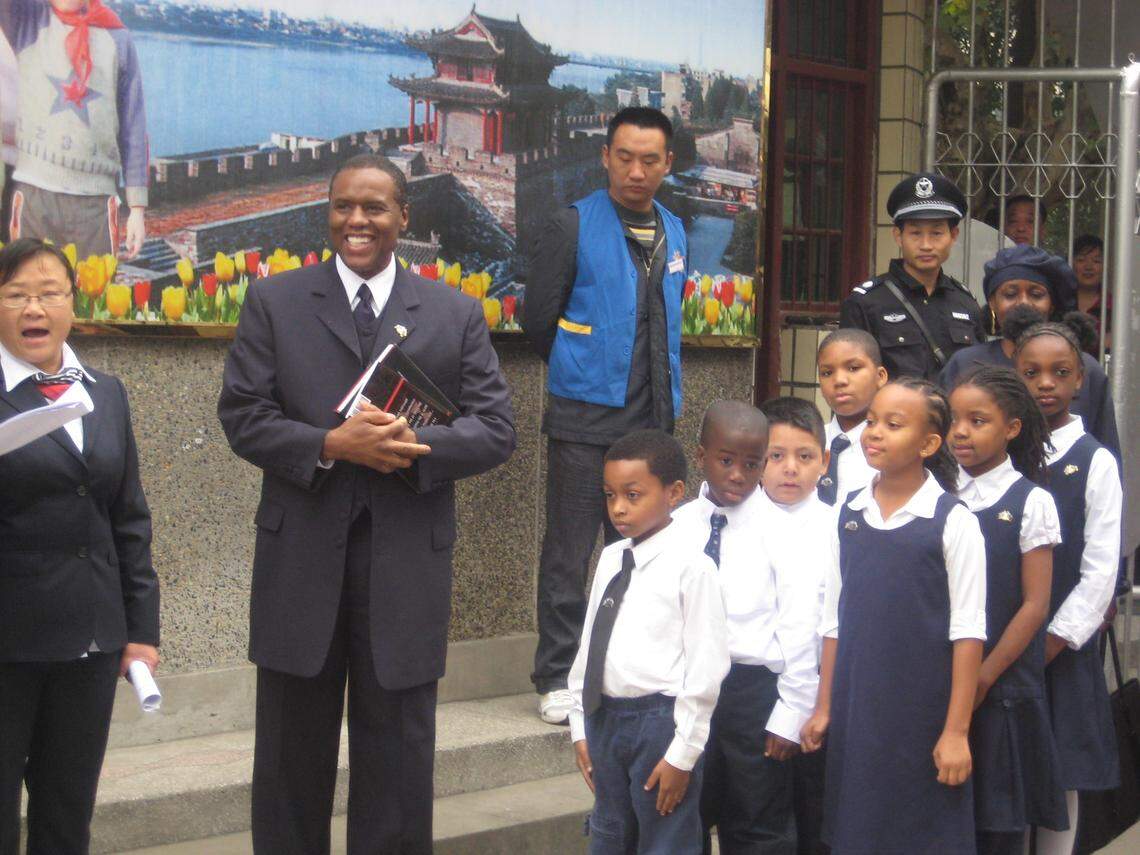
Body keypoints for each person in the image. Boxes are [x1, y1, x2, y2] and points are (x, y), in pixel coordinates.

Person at [217, 153, 516, 855]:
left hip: (406, 568)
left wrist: (415, 446)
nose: (357, 221)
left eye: (375, 207)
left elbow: (495, 429)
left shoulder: (454, 311)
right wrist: (331, 443)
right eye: (344, 205)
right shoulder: (275, 301)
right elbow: (243, 416)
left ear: (404, 217)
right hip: (299, 567)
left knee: (399, 769)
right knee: (290, 765)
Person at [523, 107, 687, 725]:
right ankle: (556, 673)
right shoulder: (572, 225)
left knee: (643, 551)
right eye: (625, 157)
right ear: (605, 157)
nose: (636, 171)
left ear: (667, 164)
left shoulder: (675, 229)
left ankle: (630, 669)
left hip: (650, 421)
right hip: (581, 419)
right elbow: (538, 319)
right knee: (569, 549)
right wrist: (582, 365)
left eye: (650, 160)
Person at [0, 237, 160, 854]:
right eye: (16, 295)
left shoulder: (106, 391)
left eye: (48, 294)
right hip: (8, 642)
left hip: (90, 640)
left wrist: (140, 630)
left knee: (67, 814)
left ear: (72, 302)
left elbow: (128, 519)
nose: (33, 308)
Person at [802, 378, 987, 854]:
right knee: (858, 830)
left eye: (893, 424)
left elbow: (968, 633)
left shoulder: (953, 521)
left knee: (919, 833)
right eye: (872, 421)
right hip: (858, 706)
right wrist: (824, 707)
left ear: (929, 443)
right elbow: (833, 619)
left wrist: (956, 731)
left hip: (923, 712)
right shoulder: (849, 513)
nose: (874, 433)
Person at [568, 429, 729, 855]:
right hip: (605, 717)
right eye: (610, 495)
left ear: (674, 492)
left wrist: (683, 754)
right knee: (608, 831)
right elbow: (590, 645)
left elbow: (706, 667)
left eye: (633, 495)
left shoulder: (693, 567)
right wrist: (580, 725)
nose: (618, 508)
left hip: (659, 723)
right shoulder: (610, 558)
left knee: (665, 837)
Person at [672, 400, 818, 855]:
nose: (738, 474)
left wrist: (791, 713)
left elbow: (800, 626)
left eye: (753, 463)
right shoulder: (674, 526)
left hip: (752, 695)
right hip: (684, 685)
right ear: (701, 457)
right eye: (726, 460)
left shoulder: (782, 531)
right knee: (681, 813)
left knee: (758, 822)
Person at [946, 366, 1069, 854]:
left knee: (997, 823)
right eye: (954, 419)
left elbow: (1035, 605)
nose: (960, 431)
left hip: (1000, 688)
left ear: (1012, 428)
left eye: (978, 421)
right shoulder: (938, 497)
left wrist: (982, 677)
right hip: (943, 680)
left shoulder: (1030, 501)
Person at [1012, 316, 1122, 855]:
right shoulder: (998, 454)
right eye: (1030, 372)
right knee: (1008, 765)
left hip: (1061, 647)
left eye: (1059, 372)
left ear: (1081, 379)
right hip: (1001, 644)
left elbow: (1101, 569)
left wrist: (1052, 641)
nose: (1045, 383)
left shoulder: (1095, 461)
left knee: (1059, 769)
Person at [937, 245, 1119, 455]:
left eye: (1036, 294)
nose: (1023, 302)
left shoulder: (1086, 368)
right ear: (993, 303)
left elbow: (1106, 452)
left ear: (1051, 304)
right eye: (1010, 294)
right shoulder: (965, 365)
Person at [0, 1, 149, 258]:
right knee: (32, 291)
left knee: (92, 294)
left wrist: (137, 209)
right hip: (34, 196)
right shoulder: (27, 20)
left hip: (95, 205)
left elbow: (133, 128)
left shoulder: (119, 39)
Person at [755, 396, 834, 855]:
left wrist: (800, 708)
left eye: (804, 457)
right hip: (751, 693)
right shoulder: (739, 521)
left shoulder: (835, 527)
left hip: (814, 697)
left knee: (811, 817)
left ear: (824, 462)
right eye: (776, 456)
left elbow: (816, 625)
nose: (790, 469)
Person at [839, 172, 986, 382]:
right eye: (915, 233)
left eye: (936, 233)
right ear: (898, 236)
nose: (926, 245)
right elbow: (851, 378)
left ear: (953, 236)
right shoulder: (866, 302)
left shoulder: (964, 302)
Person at [815, 328, 887, 506]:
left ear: (880, 376)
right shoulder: (809, 444)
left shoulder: (890, 451)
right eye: (827, 373)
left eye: (853, 368)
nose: (839, 380)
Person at [1072, 234, 1110, 350]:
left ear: (1105, 266)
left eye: (1096, 261)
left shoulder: (1113, 307)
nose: (1088, 267)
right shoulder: (1059, 304)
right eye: (1081, 260)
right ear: (1071, 263)